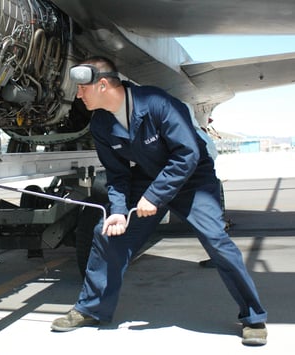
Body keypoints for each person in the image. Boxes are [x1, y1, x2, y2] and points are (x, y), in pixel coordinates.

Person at [51, 56, 268, 346]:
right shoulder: (101, 124)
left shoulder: (157, 103)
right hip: (148, 177)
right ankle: (91, 308)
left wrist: (155, 196)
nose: (78, 94)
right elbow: (117, 175)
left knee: (217, 241)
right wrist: (117, 211)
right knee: (106, 235)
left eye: (82, 88)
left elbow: (187, 154)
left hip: (193, 179)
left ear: (102, 85)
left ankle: (253, 317)